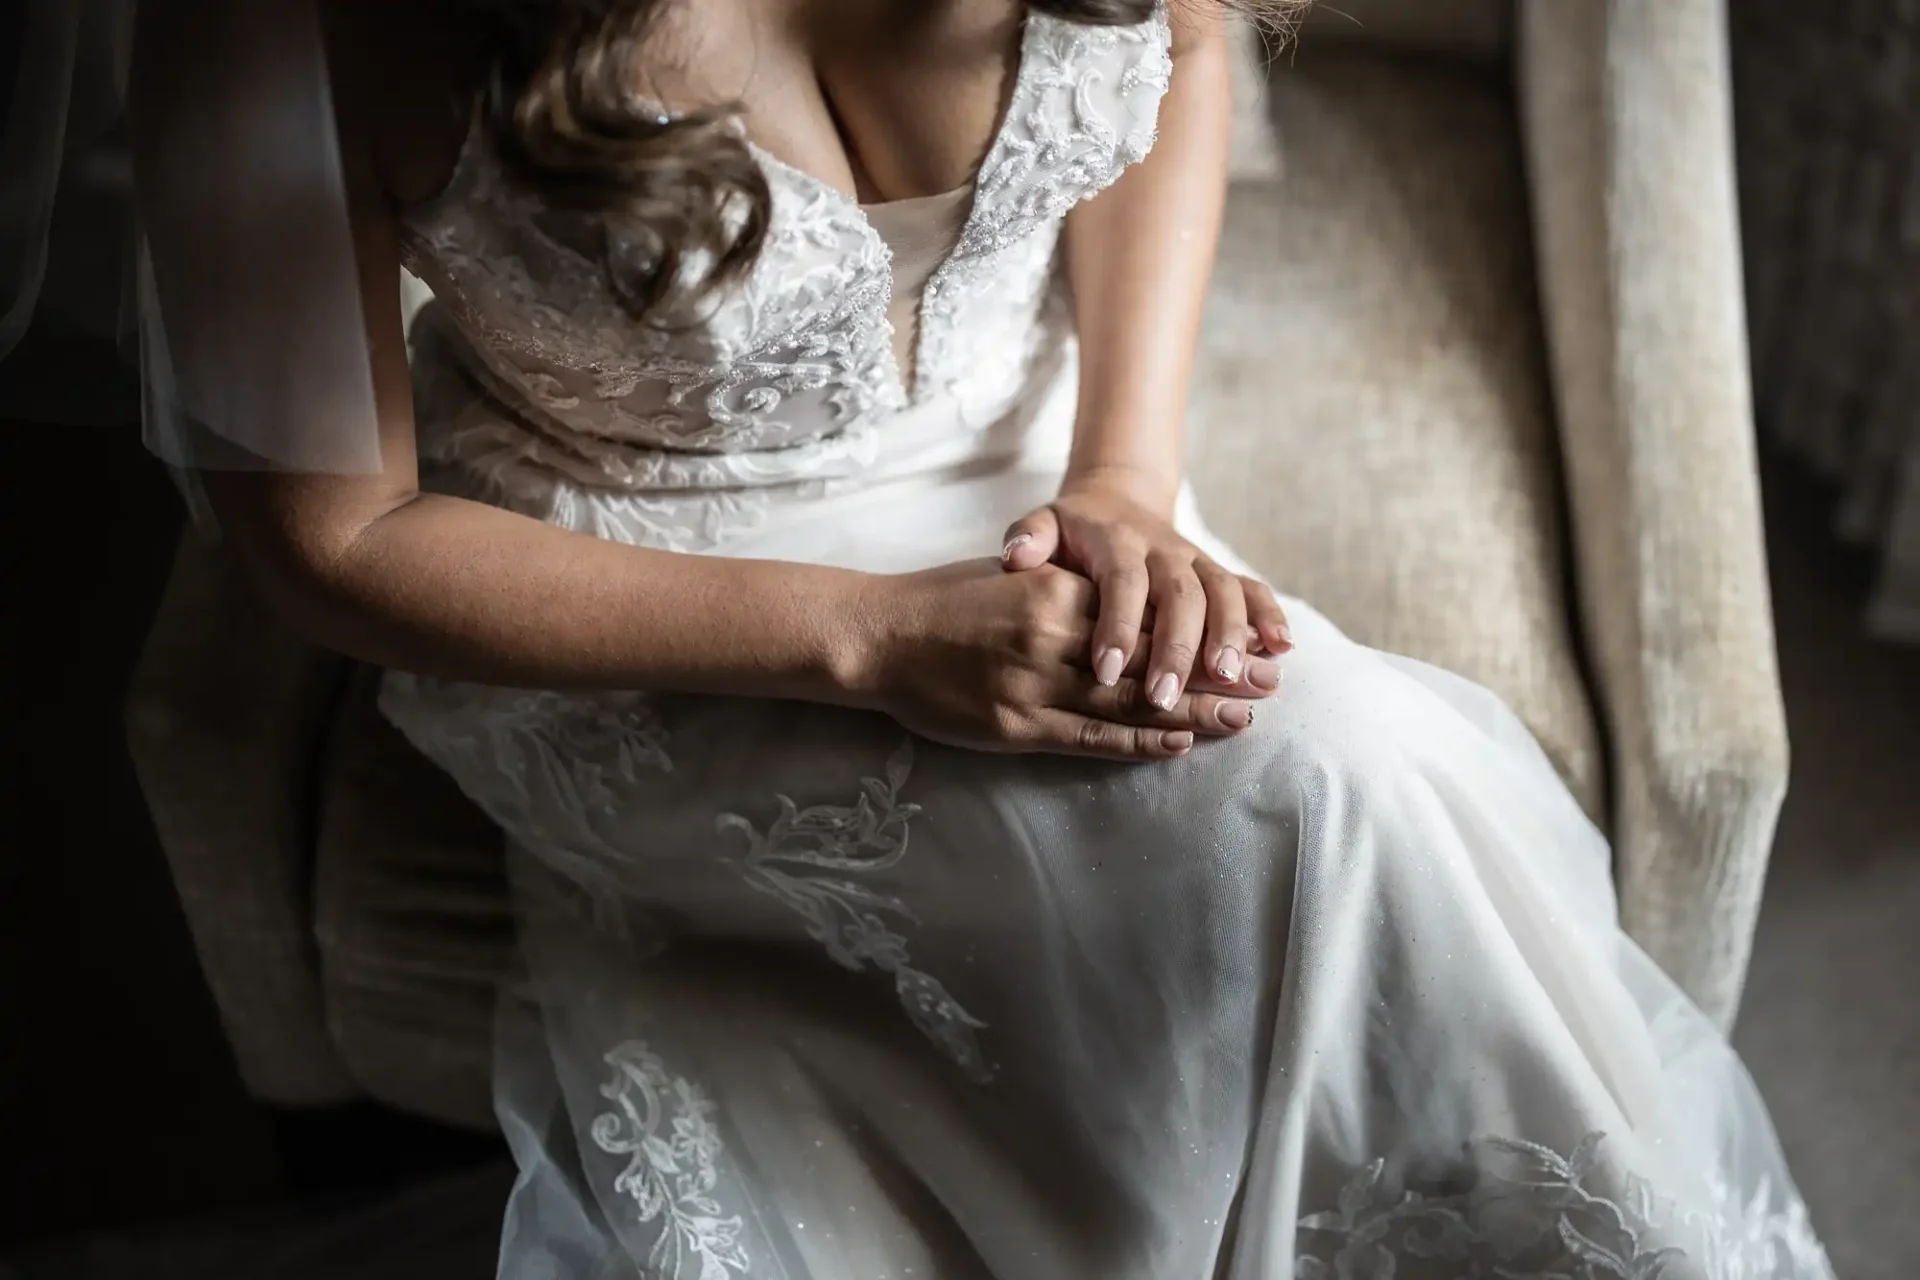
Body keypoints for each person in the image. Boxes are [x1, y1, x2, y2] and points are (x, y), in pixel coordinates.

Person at [121, 0, 1834, 1274]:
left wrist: (1131, 475)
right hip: (665, 603)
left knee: (1350, 777)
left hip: (1035, 456)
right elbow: (329, 535)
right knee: (1310, 791)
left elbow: (1185, 57)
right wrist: (865, 644)